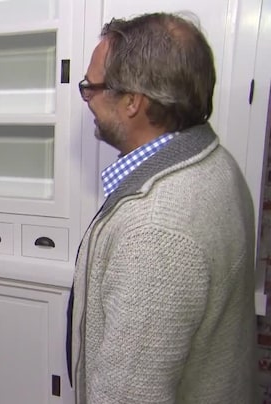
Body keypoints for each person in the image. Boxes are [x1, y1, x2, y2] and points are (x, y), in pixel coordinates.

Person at [70, 12, 257, 403]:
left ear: (132, 101)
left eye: (91, 87)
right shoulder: (216, 162)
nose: (87, 99)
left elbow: (129, 396)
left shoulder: (156, 232)